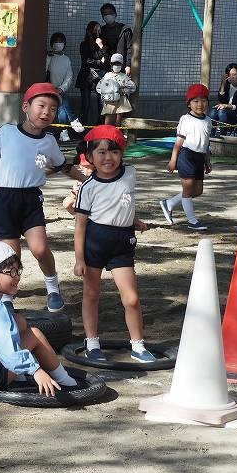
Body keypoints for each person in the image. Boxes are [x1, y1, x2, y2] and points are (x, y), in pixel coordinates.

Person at [0, 83, 86, 313]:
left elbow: (64, 167)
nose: (46, 112)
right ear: (25, 107)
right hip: (4, 199)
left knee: (40, 249)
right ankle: (6, 295)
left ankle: (53, 288)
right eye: (41, 106)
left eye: (53, 109)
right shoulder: (7, 132)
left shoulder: (49, 141)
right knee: (10, 256)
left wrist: (88, 180)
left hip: (31, 200)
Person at [0, 242, 78, 398]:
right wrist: (36, 370)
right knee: (35, 335)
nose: (17, 277)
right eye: (11, 272)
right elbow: (7, 352)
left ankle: (18, 375)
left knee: (18, 321)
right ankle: (67, 382)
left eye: (18, 270)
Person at [73, 125, 156, 363]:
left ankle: (138, 345)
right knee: (91, 294)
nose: (108, 157)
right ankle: (92, 343)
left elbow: (123, 201)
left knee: (131, 298)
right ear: (90, 156)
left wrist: (133, 220)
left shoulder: (130, 173)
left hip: (122, 243)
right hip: (95, 243)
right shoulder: (88, 187)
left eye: (114, 151)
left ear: (122, 153)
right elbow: (80, 225)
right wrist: (79, 259)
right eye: (101, 152)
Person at [160, 84, 212, 231]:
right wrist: (173, 160)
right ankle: (192, 221)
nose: (200, 104)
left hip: (200, 157)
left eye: (203, 100)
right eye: (196, 101)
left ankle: (169, 203)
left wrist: (207, 161)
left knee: (198, 190)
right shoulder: (186, 119)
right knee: (188, 190)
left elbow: (206, 143)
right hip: (187, 155)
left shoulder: (208, 121)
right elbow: (178, 143)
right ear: (189, 104)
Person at [76, 21, 107, 125]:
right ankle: (84, 128)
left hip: (100, 76)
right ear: (89, 31)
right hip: (86, 76)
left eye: (99, 30)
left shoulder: (102, 44)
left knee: (101, 104)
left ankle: (100, 126)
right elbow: (87, 60)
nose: (97, 33)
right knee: (86, 104)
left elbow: (107, 58)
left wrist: (101, 46)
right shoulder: (84, 45)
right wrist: (99, 62)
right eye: (94, 30)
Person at [209, 62, 237, 134]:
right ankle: (211, 135)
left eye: (234, 74)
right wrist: (223, 84)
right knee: (213, 112)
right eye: (230, 75)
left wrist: (227, 106)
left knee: (221, 112)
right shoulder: (227, 84)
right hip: (225, 111)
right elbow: (221, 100)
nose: (232, 77)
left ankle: (223, 135)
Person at [96, 53, 135, 125]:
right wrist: (105, 92)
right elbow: (98, 87)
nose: (116, 65)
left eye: (118, 64)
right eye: (114, 63)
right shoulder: (107, 75)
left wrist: (122, 91)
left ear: (122, 65)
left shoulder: (124, 76)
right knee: (108, 124)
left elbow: (133, 87)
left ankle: (118, 131)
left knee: (118, 123)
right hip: (109, 101)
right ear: (111, 64)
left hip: (121, 102)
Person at [99, 3, 132, 74]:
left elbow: (130, 48)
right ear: (102, 16)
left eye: (110, 13)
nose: (108, 15)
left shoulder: (125, 30)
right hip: (106, 67)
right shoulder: (101, 31)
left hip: (122, 67)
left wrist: (128, 65)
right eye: (105, 14)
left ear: (115, 14)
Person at [45, 32, 73, 96]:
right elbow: (44, 71)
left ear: (64, 44)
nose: (58, 43)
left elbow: (69, 76)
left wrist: (61, 89)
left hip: (61, 93)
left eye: (60, 41)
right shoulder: (48, 57)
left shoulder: (66, 59)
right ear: (52, 43)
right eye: (56, 41)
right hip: (47, 91)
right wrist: (48, 58)